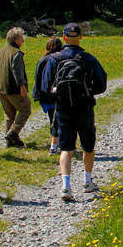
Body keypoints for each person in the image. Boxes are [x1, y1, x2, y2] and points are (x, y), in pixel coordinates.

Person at [44, 23, 107, 201]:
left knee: (66, 148)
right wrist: (87, 91)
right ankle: (87, 182)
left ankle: (66, 186)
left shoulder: (54, 59)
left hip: (63, 109)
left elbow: (46, 86)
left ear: (64, 38)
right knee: (88, 146)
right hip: (84, 107)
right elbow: (102, 84)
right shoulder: (88, 59)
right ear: (80, 37)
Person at [0, 26, 31, 148]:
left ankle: (9, 141)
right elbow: (17, 71)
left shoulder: (0, 51)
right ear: (15, 39)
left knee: (9, 115)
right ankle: (13, 133)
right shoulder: (17, 53)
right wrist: (22, 86)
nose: (23, 40)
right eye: (21, 38)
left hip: (0, 88)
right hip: (13, 89)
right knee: (25, 109)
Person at [33, 36, 63, 155]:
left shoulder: (42, 59)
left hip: (43, 95)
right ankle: (55, 145)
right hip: (53, 95)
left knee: (53, 118)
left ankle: (57, 144)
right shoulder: (57, 60)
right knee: (57, 120)